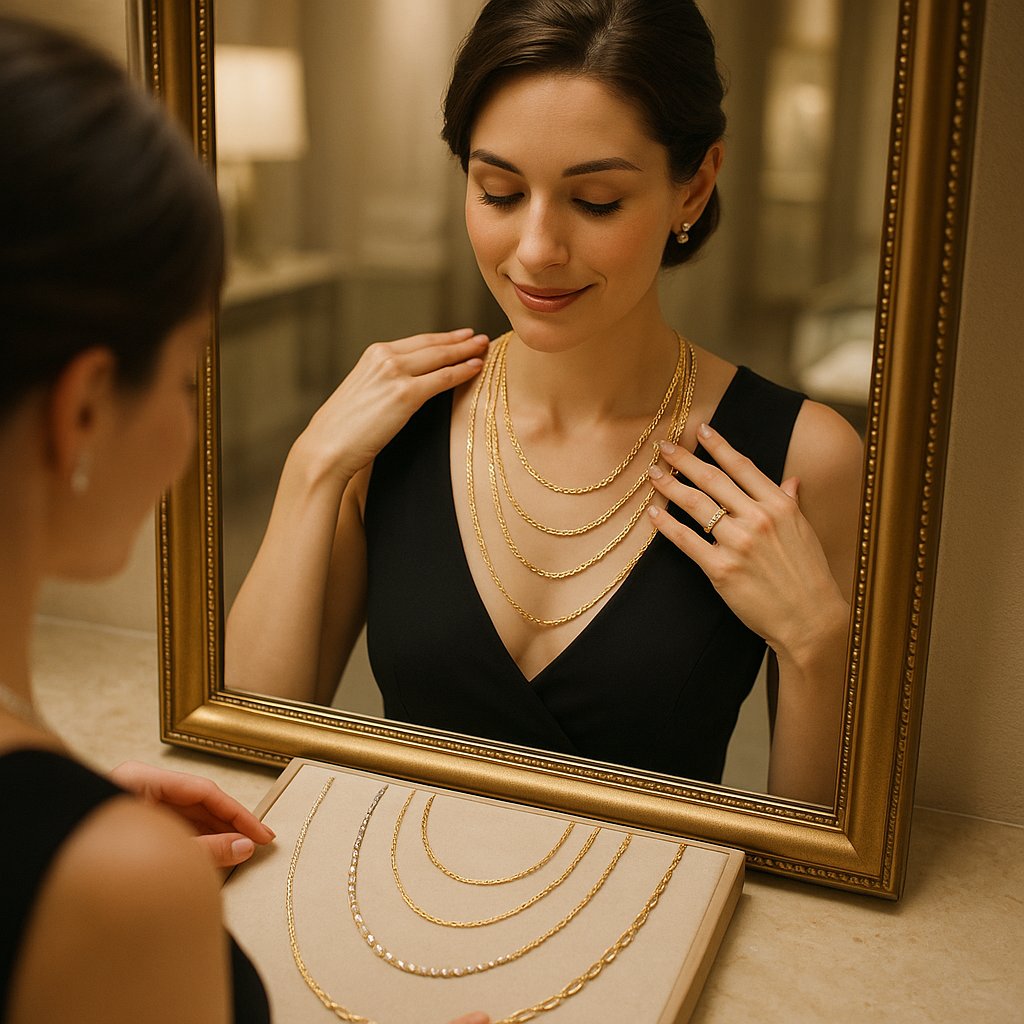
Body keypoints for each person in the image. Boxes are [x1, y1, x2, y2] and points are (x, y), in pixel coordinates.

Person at [227, 0, 862, 807]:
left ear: (693, 187)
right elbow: (251, 745)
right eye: (498, 192)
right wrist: (312, 465)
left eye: (595, 202)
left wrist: (816, 644)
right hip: (393, 915)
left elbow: (823, 858)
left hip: (651, 927)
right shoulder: (393, 427)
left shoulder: (802, 459)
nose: (535, 250)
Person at [0, 16, 489, 1024]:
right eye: (187, 375)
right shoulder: (108, 887)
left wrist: (73, 823)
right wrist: (88, 862)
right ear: (83, 407)